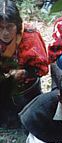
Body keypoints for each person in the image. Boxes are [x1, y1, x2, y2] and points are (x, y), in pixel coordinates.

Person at [0, 0, 48, 128]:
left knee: (29, 120)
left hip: (26, 88)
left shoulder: (30, 36)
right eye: (0, 27)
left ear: (17, 24)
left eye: (9, 27)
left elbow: (42, 69)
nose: (5, 32)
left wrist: (23, 73)